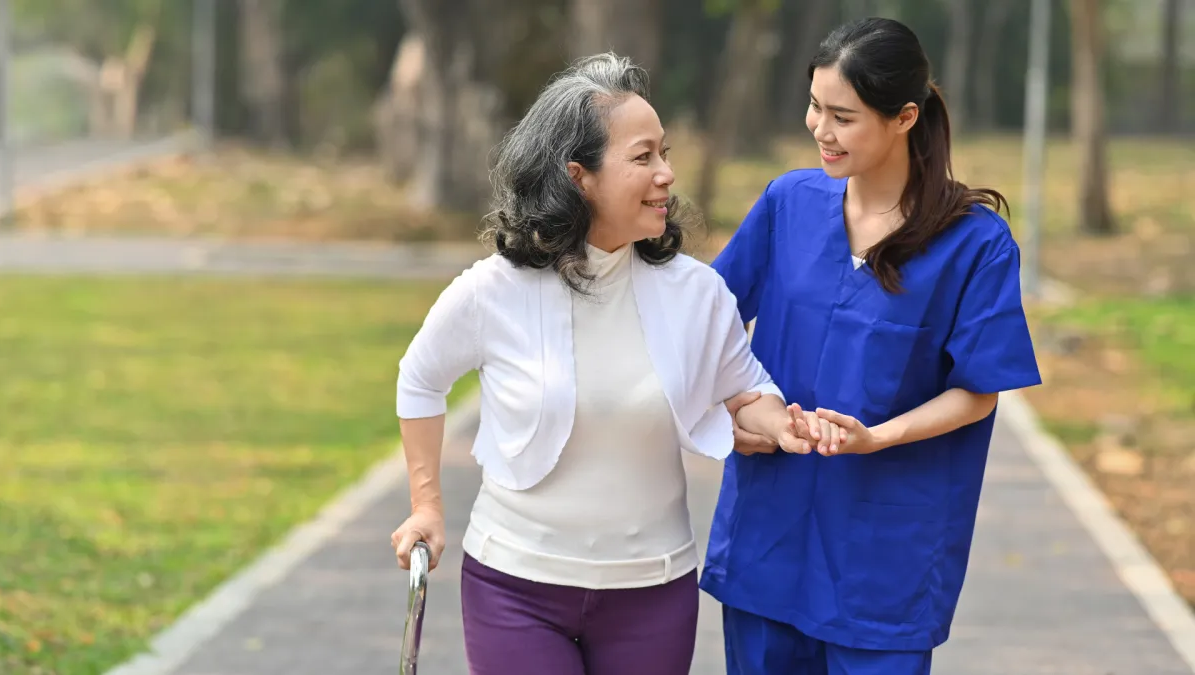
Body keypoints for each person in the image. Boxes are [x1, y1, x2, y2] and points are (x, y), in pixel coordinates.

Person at [391, 53, 825, 675]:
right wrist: (427, 504)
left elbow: (746, 388)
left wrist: (782, 423)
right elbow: (420, 378)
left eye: (665, 154)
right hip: (515, 586)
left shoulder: (696, 292)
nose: (667, 174)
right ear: (580, 176)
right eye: (643, 157)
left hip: (654, 591)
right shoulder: (494, 290)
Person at [700, 17, 1044, 675]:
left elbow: (977, 391)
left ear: (905, 116)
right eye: (813, 106)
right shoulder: (788, 203)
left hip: (885, 565)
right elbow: (704, 328)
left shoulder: (975, 244)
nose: (818, 129)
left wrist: (877, 437)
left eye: (842, 116)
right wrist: (733, 412)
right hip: (768, 544)